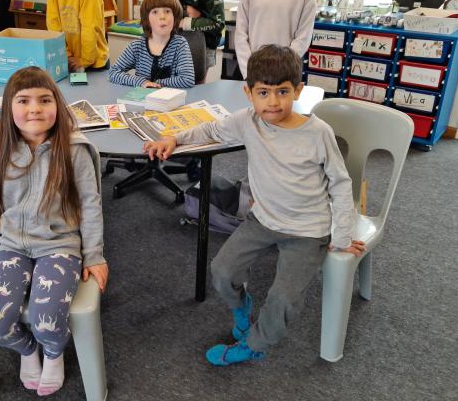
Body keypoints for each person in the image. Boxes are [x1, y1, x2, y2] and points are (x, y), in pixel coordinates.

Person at [143, 45, 366, 366]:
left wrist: (341, 236)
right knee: (222, 272)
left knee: (284, 299)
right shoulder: (247, 121)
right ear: (249, 93)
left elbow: (342, 185)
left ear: (298, 91)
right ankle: (242, 306)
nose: (273, 102)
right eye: (263, 92)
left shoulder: (318, 133)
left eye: (282, 92)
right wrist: (174, 139)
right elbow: (210, 128)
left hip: (307, 232)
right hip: (262, 220)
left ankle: (257, 344)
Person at [0, 67, 109, 395]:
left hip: (59, 244)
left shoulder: (74, 149)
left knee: (49, 320)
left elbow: (90, 206)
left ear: (57, 105)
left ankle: (54, 353)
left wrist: (94, 255)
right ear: (9, 108)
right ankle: (29, 351)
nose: (35, 108)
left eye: (45, 100)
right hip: (12, 245)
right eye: (24, 100)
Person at [109, 0, 195, 89]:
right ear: (147, 19)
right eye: (155, 12)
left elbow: (188, 79)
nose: (162, 17)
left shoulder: (180, 44)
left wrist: (155, 83)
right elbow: (113, 72)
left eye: (167, 11)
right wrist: (141, 82)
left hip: (169, 102)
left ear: (175, 17)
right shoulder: (137, 46)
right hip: (142, 101)